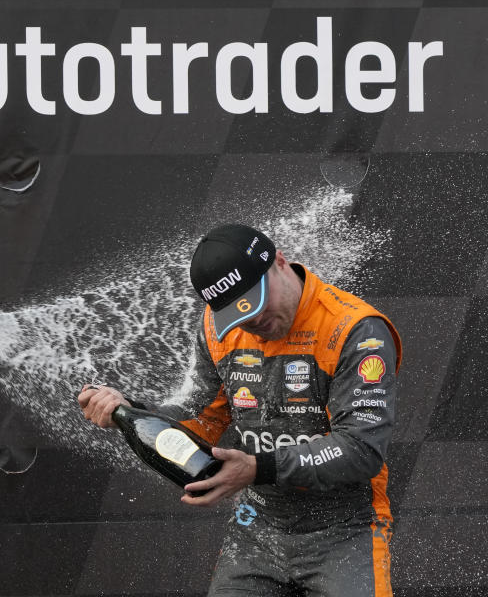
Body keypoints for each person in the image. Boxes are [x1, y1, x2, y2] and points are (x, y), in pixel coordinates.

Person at [78, 223, 401, 597]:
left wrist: (257, 468)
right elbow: (202, 417)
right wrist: (129, 410)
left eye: (256, 303)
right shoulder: (219, 330)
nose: (254, 322)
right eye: (239, 314)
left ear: (279, 261)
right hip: (256, 528)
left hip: (345, 531)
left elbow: (361, 450)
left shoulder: (355, 330)